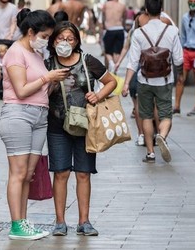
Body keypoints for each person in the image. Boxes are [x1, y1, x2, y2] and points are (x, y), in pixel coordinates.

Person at [0, 9, 69, 240]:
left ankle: (23, 222)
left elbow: (40, 87)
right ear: (31, 32)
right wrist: (47, 78)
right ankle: (16, 224)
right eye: (45, 36)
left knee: (28, 174)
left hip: (39, 117)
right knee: (17, 173)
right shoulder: (15, 53)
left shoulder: (36, 54)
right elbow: (21, 90)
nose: (46, 41)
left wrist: (55, 82)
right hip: (18, 115)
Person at [45, 21, 117, 237]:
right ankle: (60, 222)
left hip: (86, 125)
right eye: (60, 38)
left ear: (76, 41)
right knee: (61, 173)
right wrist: (51, 82)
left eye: (70, 39)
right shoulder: (48, 64)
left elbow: (111, 82)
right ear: (53, 40)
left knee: (84, 174)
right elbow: (40, 94)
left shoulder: (88, 61)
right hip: (57, 125)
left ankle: (84, 221)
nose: (65, 43)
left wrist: (98, 95)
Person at [122, 0, 183, 163]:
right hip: (165, 80)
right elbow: (179, 59)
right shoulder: (172, 31)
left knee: (146, 116)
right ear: (161, 9)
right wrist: (181, 75)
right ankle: (162, 136)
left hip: (144, 80)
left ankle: (150, 153)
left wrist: (126, 84)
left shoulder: (139, 33)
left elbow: (133, 61)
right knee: (166, 116)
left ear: (146, 10)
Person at [101, 0, 127, 71]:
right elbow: (124, 19)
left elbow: (103, 17)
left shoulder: (106, 4)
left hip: (109, 29)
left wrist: (104, 26)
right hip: (119, 29)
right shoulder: (122, 6)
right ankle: (115, 68)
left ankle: (111, 63)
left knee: (108, 51)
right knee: (117, 51)